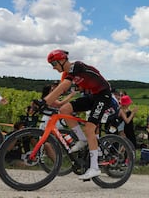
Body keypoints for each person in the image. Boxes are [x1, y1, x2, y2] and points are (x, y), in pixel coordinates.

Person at [33, 49, 112, 180]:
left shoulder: (77, 66)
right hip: (92, 96)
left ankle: (94, 168)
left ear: (62, 60)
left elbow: (64, 86)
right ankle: (82, 139)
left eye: (54, 64)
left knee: (89, 128)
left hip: (103, 96)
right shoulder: (67, 74)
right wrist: (45, 104)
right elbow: (61, 90)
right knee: (64, 110)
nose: (53, 68)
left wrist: (45, 101)